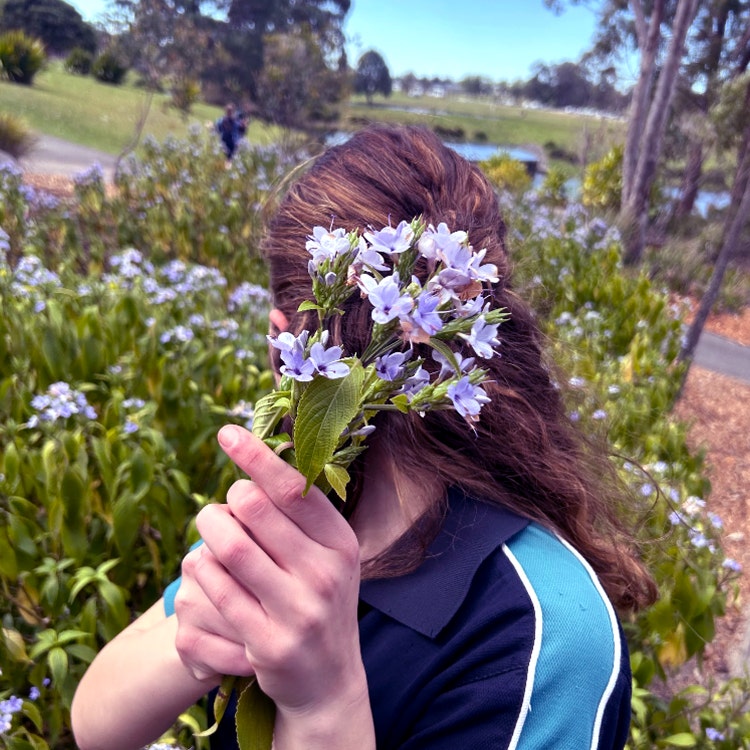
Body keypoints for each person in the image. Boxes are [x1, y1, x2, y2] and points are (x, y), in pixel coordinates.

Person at [71, 125, 657, 750]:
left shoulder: (546, 634)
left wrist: (324, 706)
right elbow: (95, 721)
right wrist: (195, 645)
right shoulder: (296, 515)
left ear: (281, 344)